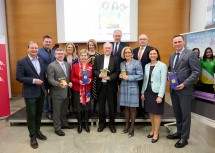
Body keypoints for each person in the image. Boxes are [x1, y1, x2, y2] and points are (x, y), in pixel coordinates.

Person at [167, 35, 201, 148]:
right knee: (177, 113)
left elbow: (196, 72)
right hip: (174, 89)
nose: (177, 44)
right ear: (173, 44)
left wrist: (184, 84)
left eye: (179, 42)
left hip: (184, 90)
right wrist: (169, 77)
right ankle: (179, 132)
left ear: (184, 42)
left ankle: (184, 138)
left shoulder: (190, 54)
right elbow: (171, 69)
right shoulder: (172, 55)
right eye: (175, 42)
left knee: (185, 115)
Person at [16, 41, 47, 149]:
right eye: (32, 48)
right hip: (30, 93)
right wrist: (33, 80)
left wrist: (46, 88)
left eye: (36, 48)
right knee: (31, 115)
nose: (34, 50)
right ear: (27, 49)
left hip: (41, 92)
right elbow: (19, 77)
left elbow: (43, 75)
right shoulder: (22, 62)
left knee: (39, 114)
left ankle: (37, 131)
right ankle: (32, 136)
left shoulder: (41, 60)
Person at [141, 47, 167, 143]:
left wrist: (160, 95)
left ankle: (156, 133)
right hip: (148, 91)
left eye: (154, 53)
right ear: (148, 55)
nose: (152, 55)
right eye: (150, 54)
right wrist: (142, 92)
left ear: (157, 54)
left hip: (157, 92)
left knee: (157, 113)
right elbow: (145, 80)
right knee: (151, 113)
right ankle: (152, 130)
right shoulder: (147, 66)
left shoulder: (162, 65)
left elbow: (163, 81)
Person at [93, 42, 119, 133]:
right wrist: (98, 75)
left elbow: (117, 71)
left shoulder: (115, 59)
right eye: (106, 48)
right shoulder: (98, 58)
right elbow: (94, 70)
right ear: (103, 49)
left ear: (111, 49)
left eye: (109, 48)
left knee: (112, 106)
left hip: (111, 86)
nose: (107, 49)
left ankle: (112, 124)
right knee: (101, 107)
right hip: (101, 86)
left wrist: (110, 77)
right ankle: (102, 124)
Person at [47, 48, 74, 137]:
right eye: (58, 53)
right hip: (57, 92)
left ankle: (64, 124)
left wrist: (70, 82)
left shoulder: (67, 64)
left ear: (64, 54)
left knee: (64, 110)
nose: (60, 55)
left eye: (62, 53)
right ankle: (57, 128)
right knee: (57, 112)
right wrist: (59, 84)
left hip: (66, 91)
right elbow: (50, 79)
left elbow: (68, 77)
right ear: (55, 55)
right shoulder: (51, 65)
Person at [119, 46, 143, 137]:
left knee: (132, 108)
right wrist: (120, 76)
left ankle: (132, 128)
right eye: (126, 53)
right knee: (126, 108)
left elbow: (141, 76)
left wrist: (129, 77)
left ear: (132, 54)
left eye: (129, 52)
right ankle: (126, 126)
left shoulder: (137, 63)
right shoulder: (122, 63)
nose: (127, 54)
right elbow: (121, 74)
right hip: (124, 87)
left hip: (133, 87)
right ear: (123, 54)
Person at [71, 49, 93, 133]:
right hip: (77, 90)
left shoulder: (90, 66)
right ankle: (80, 124)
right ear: (79, 57)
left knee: (87, 107)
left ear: (87, 56)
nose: (83, 57)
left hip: (87, 90)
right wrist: (78, 81)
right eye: (82, 55)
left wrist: (90, 80)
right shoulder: (75, 66)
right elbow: (72, 78)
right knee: (78, 108)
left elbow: (92, 76)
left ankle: (86, 124)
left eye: (85, 55)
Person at [133, 34, 152, 118]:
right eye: (141, 39)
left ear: (147, 40)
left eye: (144, 39)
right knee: (137, 94)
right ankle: (139, 111)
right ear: (138, 41)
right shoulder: (134, 50)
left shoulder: (151, 50)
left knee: (147, 95)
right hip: (136, 77)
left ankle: (146, 112)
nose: (142, 41)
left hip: (147, 76)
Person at [38, 35, 56, 120]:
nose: (48, 43)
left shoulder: (53, 52)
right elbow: (39, 64)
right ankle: (47, 111)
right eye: (46, 42)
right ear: (43, 42)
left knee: (52, 94)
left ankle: (52, 110)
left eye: (49, 42)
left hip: (53, 77)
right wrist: (45, 72)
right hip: (43, 77)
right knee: (45, 95)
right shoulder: (39, 52)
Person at [111, 29, 128, 116]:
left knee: (123, 91)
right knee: (113, 91)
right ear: (113, 36)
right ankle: (113, 109)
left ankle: (122, 109)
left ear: (121, 36)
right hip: (112, 72)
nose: (117, 37)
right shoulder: (109, 45)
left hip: (122, 71)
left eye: (119, 36)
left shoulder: (125, 45)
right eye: (116, 36)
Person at [64, 43, 78, 116]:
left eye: (71, 47)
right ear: (66, 48)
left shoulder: (76, 57)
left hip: (74, 77)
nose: (70, 49)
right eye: (69, 47)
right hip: (65, 77)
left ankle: (74, 108)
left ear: (73, 49)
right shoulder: (63, 56)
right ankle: (67, 108)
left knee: (74, 93)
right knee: (67, 93)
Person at [86, 39, 100, 114]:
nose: (91, 46)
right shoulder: (85, 54)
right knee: (87, 92)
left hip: (95, 77)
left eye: (92, 45)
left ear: (95, 45)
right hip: (86, 77)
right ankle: (88, 109)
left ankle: (94, 109)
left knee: (95, 93)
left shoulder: (98, 54)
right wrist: (87, 61)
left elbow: (100, 66)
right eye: (90, 45)